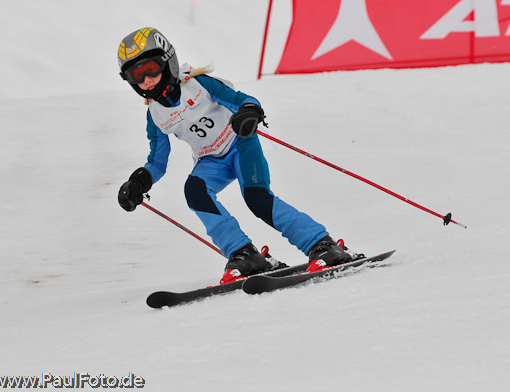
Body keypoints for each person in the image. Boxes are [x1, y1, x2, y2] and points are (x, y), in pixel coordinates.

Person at [117, 27, 353, 284]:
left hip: (240, 143)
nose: (147, 79)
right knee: (194, 191)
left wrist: (249, 111)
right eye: (136, 75)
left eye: (151, 68)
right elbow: (157, 162)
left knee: (257, 199)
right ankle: (244, 254)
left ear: (168, 61)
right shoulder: (155, 115)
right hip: (210, 160)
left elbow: (242, 100)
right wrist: (139, 182)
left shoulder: (198, 84)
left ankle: (322, 244)